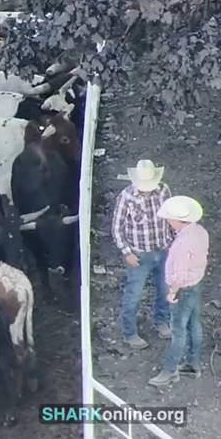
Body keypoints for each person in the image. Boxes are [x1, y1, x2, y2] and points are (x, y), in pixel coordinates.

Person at [111, 159, 174, 349]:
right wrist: (127, 252)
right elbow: (116, 228)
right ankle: (129, 333)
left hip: (163, 250)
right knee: (133, 294)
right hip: (138, 255)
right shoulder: (126, 197)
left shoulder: (164, 190)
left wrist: (173, 243)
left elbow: (171, 217)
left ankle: (161, 321)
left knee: (164, 290)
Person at [148, 196, 209, 386]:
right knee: (194, 325)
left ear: (176, 220)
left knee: (178, 330)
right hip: (195, 284)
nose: (167, 221)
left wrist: (172, 292)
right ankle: (192, 364)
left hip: (182, 289)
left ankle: (170, 370)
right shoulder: (199, 231)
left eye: (169, 219)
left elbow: (179, 275)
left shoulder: (182, 243)